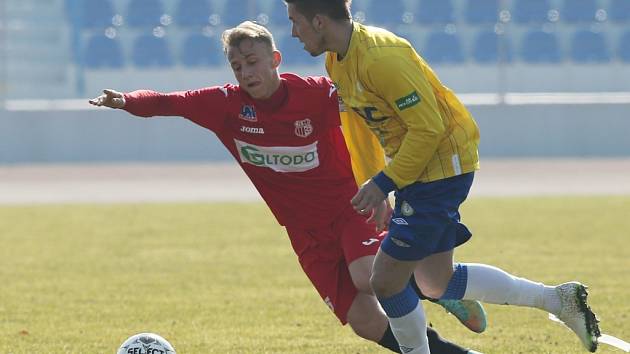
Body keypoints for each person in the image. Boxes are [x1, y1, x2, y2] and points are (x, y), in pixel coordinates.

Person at [89, 21, 486, 354]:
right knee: (365, 322)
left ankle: (435, 282)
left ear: (274, 60)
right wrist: (126, 100)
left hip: (349, 209)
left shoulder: (317, 94)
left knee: (370, 277)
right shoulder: (225, 106)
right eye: (237, 66)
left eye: (252, 62)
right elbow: (169, 102)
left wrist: (383, 176)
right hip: (303, 232)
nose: (246, 73)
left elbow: (371, 112)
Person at [284, 1, 601, 353]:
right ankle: (560, 300)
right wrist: (375, 184)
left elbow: (429, 128)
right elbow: (361, 129)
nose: (293, 32)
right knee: (435, 282)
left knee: (386, 280)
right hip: (419, 167)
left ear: (318, 20)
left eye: (295, 22)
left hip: (441, 165)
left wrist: (384, 182)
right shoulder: (337, 61)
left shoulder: (381, 58)